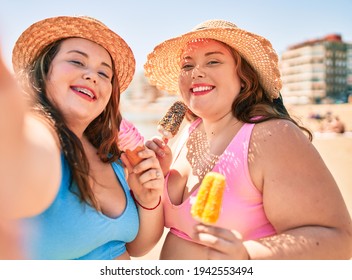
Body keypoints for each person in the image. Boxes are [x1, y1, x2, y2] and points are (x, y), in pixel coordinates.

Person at [144, 19, 352, 259]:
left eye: (213, 61)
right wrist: (149, 187)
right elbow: (148, 239)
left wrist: (247, 256)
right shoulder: (188, 133)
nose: (196, 72)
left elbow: (339, 238)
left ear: (244, 77)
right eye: (187, 65)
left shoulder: (272, 135)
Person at [0, 15, 164, 259]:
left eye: (104, 73)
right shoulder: (42, 133)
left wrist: (148, 199)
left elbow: (137, 247)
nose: (92, 75)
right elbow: (20, 165)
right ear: (44, 71)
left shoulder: (110, 152)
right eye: (77, 61)